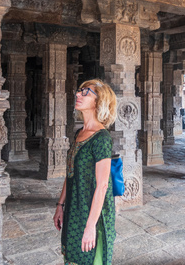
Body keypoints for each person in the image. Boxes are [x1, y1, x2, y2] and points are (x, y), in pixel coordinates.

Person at [53, 79, 117, 265]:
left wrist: (90, 227)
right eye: (79, 91)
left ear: (99, 101)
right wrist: (60, 205)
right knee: (72, 254)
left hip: (92, 209)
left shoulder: (102, 138)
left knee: (89, 257)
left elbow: (103, 185)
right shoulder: (79, 133)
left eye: (86, 92)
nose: (78, 95)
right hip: (74, 205)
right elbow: (70, 173)